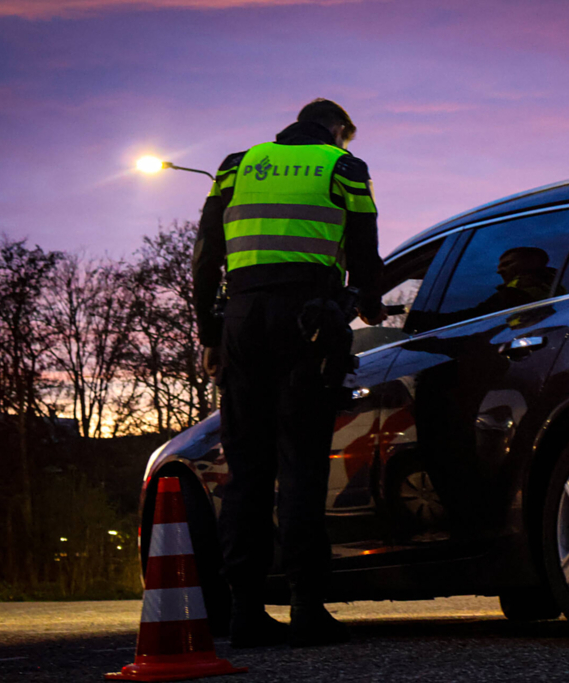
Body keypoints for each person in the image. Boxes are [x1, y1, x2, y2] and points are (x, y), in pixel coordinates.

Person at [192, 99, 385, 648]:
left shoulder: (235, 164)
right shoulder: (343, 166)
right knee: (301, 462)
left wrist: (211, 336)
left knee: (246, 469)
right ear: (339, 131)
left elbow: (206, 256)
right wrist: (368, 301)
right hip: (308, 322)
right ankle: (306, 605)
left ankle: (245, 612)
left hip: (242, 321)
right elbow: (364, 248)